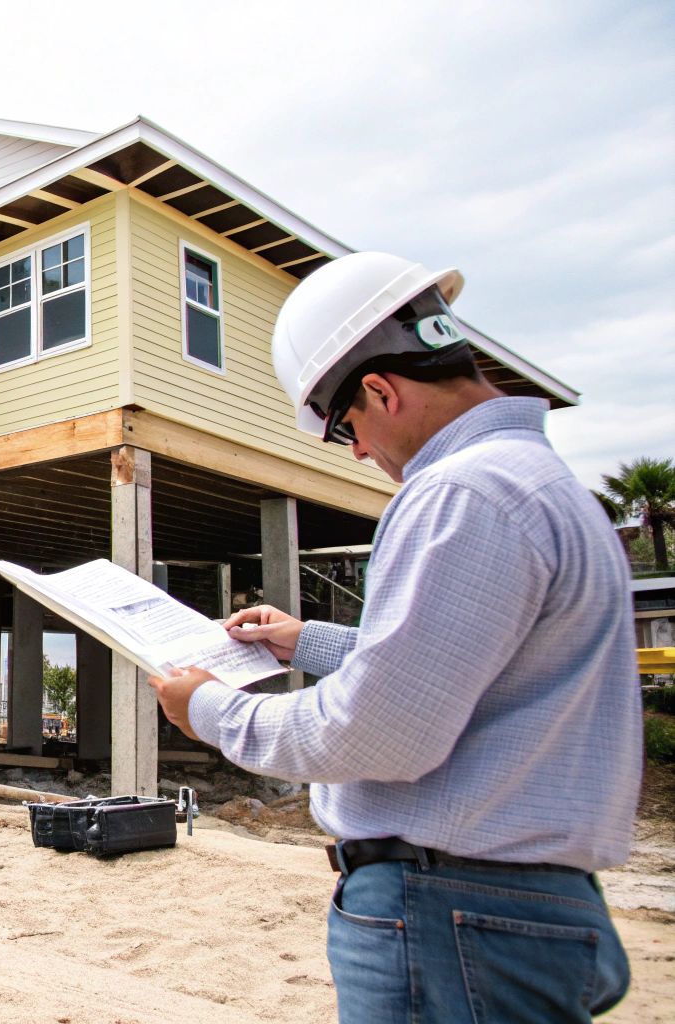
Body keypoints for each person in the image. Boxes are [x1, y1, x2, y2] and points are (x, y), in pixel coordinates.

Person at [146, 252, 640, 1022]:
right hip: (507, 905)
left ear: (380, 390)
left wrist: (210, 710)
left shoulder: (459, 493)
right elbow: (473, 672)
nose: (360, 454)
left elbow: (378, 733)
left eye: (347, 430)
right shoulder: (540, 484)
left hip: (450, 906)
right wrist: (306, 641)